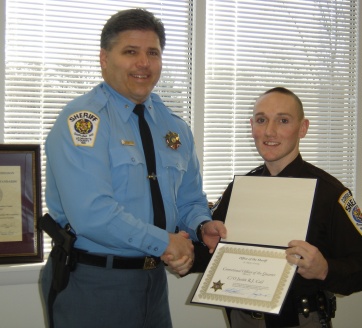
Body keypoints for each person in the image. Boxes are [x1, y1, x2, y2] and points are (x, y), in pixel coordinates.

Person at [40, 8, 226, 328]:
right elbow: (93, 214)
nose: (144, 63)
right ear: (104, 58)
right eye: (131, 52)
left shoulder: (174, 128)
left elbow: (189, 199)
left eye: (152, 53)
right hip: (94, 282)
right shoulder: (83, 122)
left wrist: (201, 225)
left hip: (152, 283)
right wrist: (166, 243)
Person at [191, 87, 362, 328]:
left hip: (301, 319)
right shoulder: (239, 190)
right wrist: (182, 252)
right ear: (252, 126)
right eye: (261, 120)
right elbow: (215, 251)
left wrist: (325, 269)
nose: (270, 131)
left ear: (303, 128)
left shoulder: (331, 194)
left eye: (283, 120)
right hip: (242, 319)